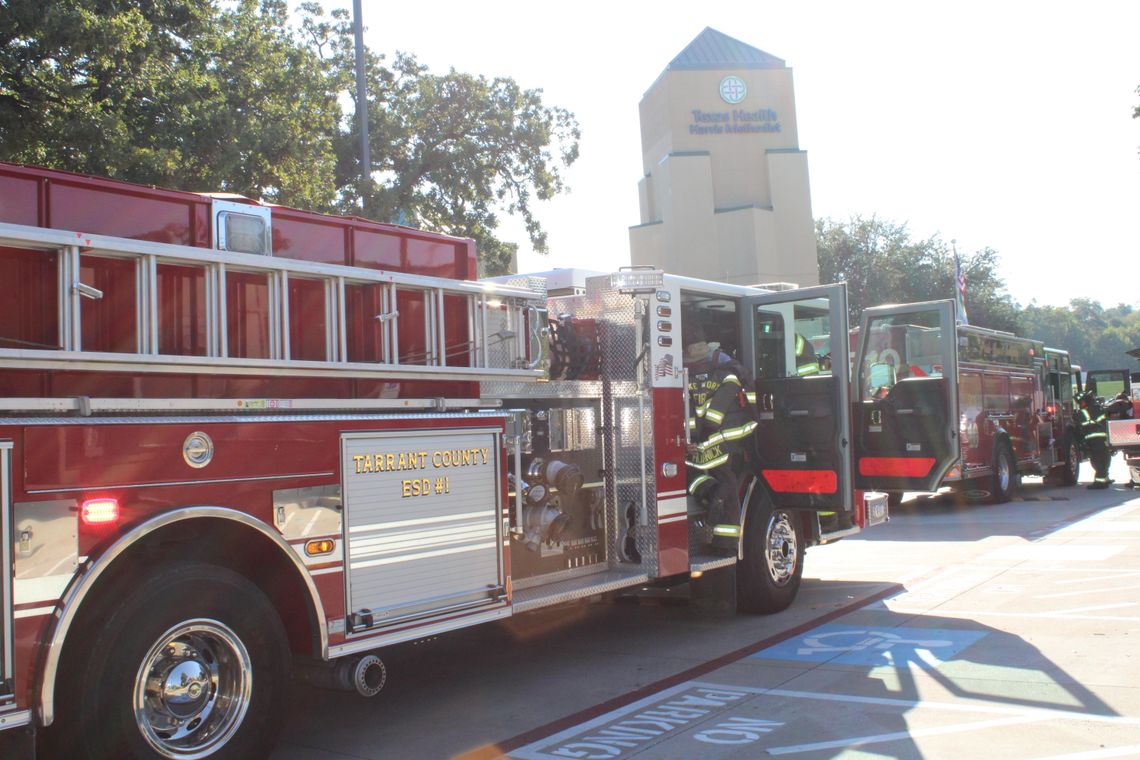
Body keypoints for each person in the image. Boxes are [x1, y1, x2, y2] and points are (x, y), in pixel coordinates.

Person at [683, 319, 757, 549]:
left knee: (696, 477)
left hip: (712, 439)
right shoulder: (729, 371)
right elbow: (711, 415)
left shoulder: (687, 376)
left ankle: (713, 495)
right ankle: (724, 537)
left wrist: (694, 440)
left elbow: (704, 414)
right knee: (726, 481)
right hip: (724, 438)